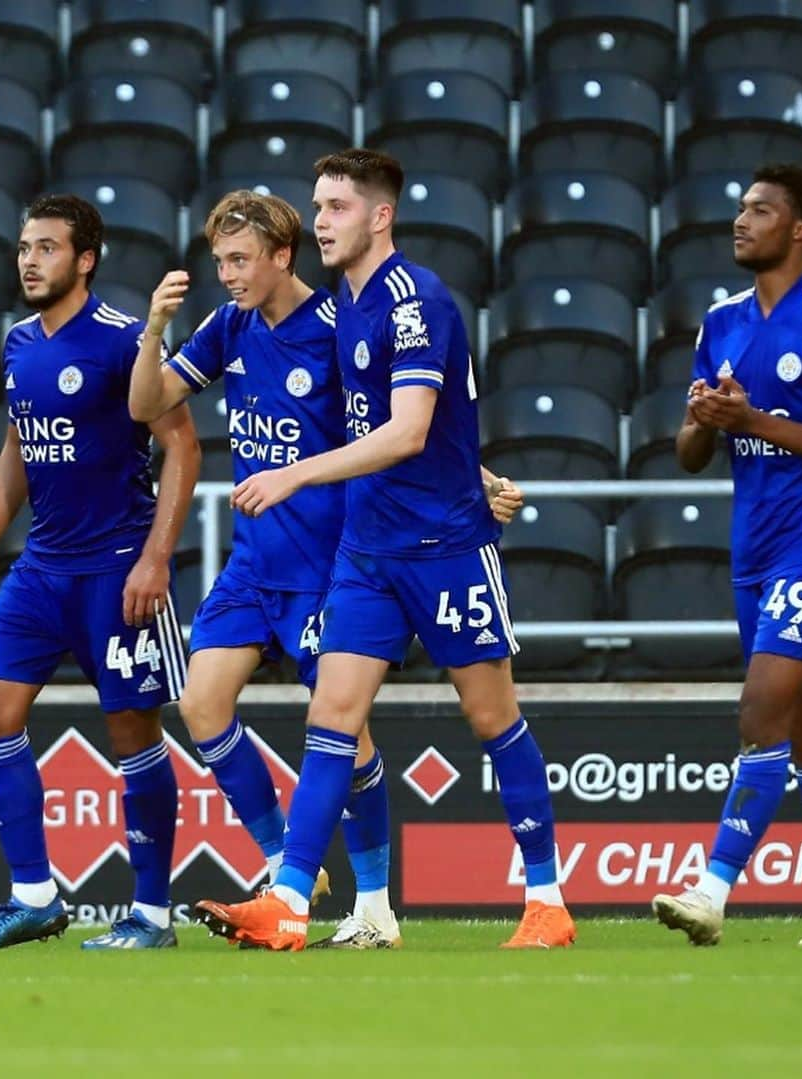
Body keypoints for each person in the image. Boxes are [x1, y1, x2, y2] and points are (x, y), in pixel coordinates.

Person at [129, 189, 523, 949]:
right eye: (220, 261)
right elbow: (149, 403)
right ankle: (288, 866)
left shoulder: (340, 329)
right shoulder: (229, 326)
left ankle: (373, 903)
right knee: (201, 703)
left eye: (241, 260)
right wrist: (153, 331)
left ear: (282, 256)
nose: (229, 274)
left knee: (351, 738)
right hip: (254, 562)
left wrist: (476, 483)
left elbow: (408, 422)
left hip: (327, 560)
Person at [216, 148, 574, 951]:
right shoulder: (346, 307)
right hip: (367, 548)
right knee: (331, 714)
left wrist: (295, 474)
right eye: (318, 206)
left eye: (337, 206)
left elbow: (410, 431)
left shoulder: (415, 300)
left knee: (492, 716)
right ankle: (289, 901)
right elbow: (386, 422)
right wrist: (475, 467)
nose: (321, 221)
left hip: (444, 546)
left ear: (381, 216)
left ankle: (547, 900)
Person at [651, 163, 802, 947]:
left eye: (759, 210)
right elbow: (691, 452)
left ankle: (712, 890)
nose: (740, 219)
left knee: (762, 707)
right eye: (740, 207)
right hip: (753, 545)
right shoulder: (720, 320)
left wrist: (753, 419)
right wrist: (705, 417)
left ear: (800, 229)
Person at [0, 195, 201, 950]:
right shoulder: (19, 342)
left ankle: (152, 913)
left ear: (84, 259)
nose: (29, 259)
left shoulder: (126, 341)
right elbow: (21, 444)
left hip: (117, 568)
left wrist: (157, 557)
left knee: (133, 733)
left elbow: (183, 447)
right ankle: (33, 894)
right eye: (24, 247)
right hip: (42, 567)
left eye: (46, 248)